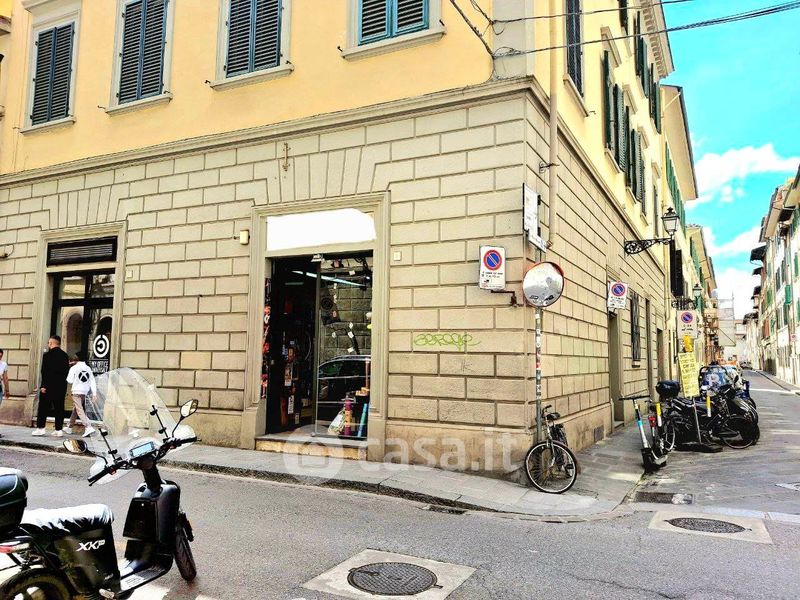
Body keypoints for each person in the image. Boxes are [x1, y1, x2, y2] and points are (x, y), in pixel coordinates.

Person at [32, 336, 70, 437]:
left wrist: (44, 386)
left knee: (43, 407)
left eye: (49, 343)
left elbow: (45, 372)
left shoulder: (47, 355)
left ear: (51, 343)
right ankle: (58, 430)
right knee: (59, 408)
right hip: (61, 386)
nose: (48, 344)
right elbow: (66, 372)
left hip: (48, 386)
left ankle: (41, 428)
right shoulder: (65, 355)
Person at [64, 351, 97, 437]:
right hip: (84, 391)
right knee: (76, 408)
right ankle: (69, 427)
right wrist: (94, 394)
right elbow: (92, 381)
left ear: (77, 359)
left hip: (76, 391)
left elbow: (69, 380)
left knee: (79, 409)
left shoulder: (74, 368)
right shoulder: (88, 368)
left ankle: (88, 426)